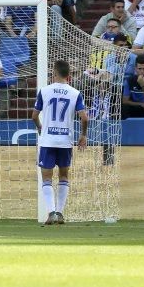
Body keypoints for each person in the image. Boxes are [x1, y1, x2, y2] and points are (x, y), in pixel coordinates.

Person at [31, 60, 88, 225]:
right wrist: (83, 135)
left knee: (46, 178)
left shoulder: (44, 91)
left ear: (53, 74)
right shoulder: (75, 93)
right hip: (65, 141)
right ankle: (61, 213)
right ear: (68, 76)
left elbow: (34, 116)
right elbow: (84, 117)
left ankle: (51, 213)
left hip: (48, 140)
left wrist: (41, 128)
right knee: (63, 176)